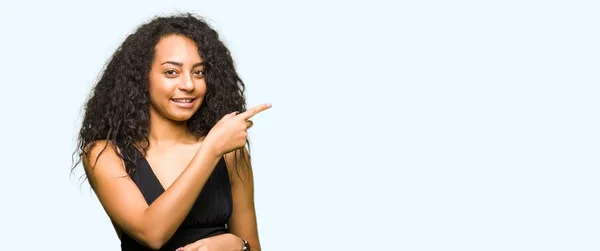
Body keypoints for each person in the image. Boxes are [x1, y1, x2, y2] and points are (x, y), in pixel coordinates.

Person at [72, 13, 271, 251]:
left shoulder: (231, 154)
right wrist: (211, 149)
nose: (188, 84)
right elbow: (152, 234)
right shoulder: (104, 154)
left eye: (198, 72)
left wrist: (237, 245)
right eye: (171, 72)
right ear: (141, 78)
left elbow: (252, 247)